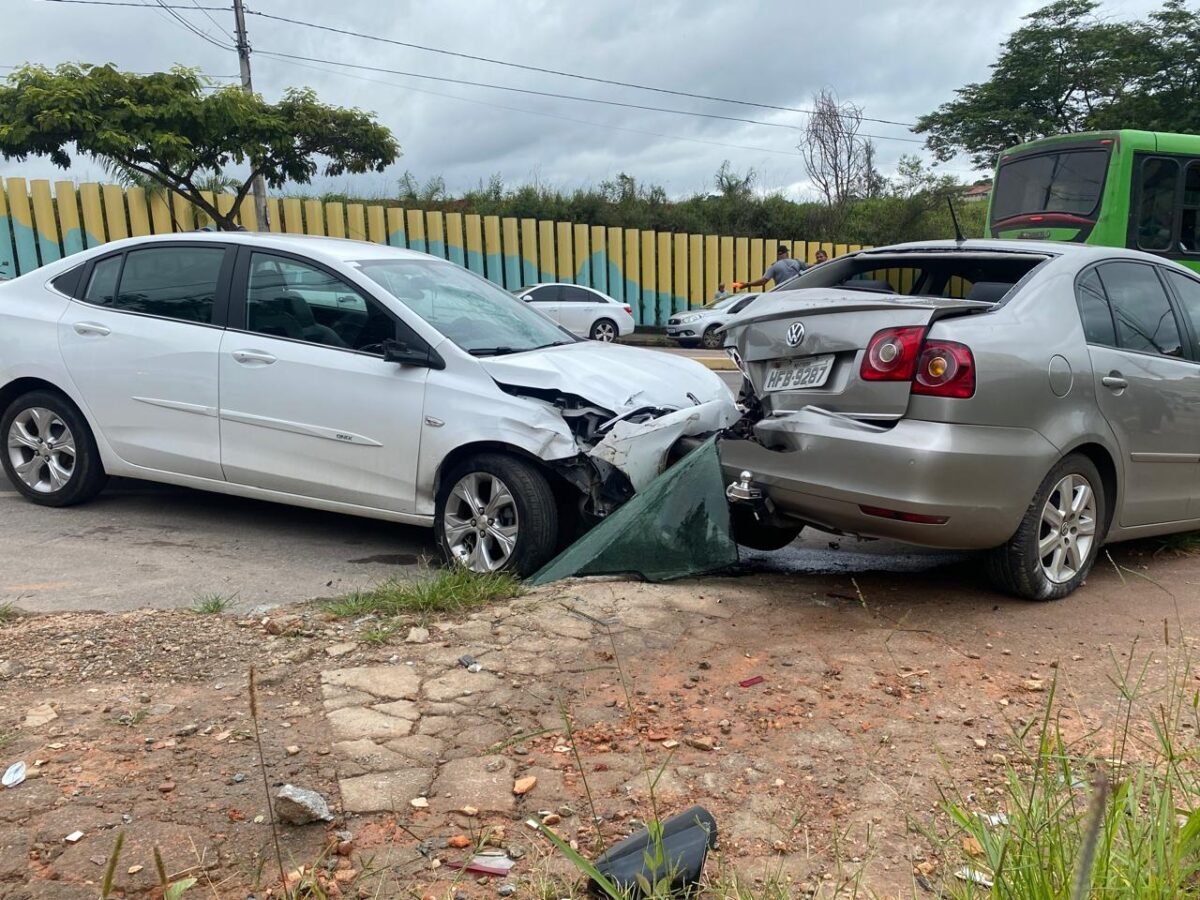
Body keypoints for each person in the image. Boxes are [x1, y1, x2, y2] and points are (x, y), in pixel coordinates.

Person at [732, 244, 805, 291]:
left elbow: (763, 281)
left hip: (781, 293)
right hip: (796, 292)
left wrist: (747, 284)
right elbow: (811, 268)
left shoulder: (774, 266)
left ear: (778, 254)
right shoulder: (796, 262)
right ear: (787, 253)